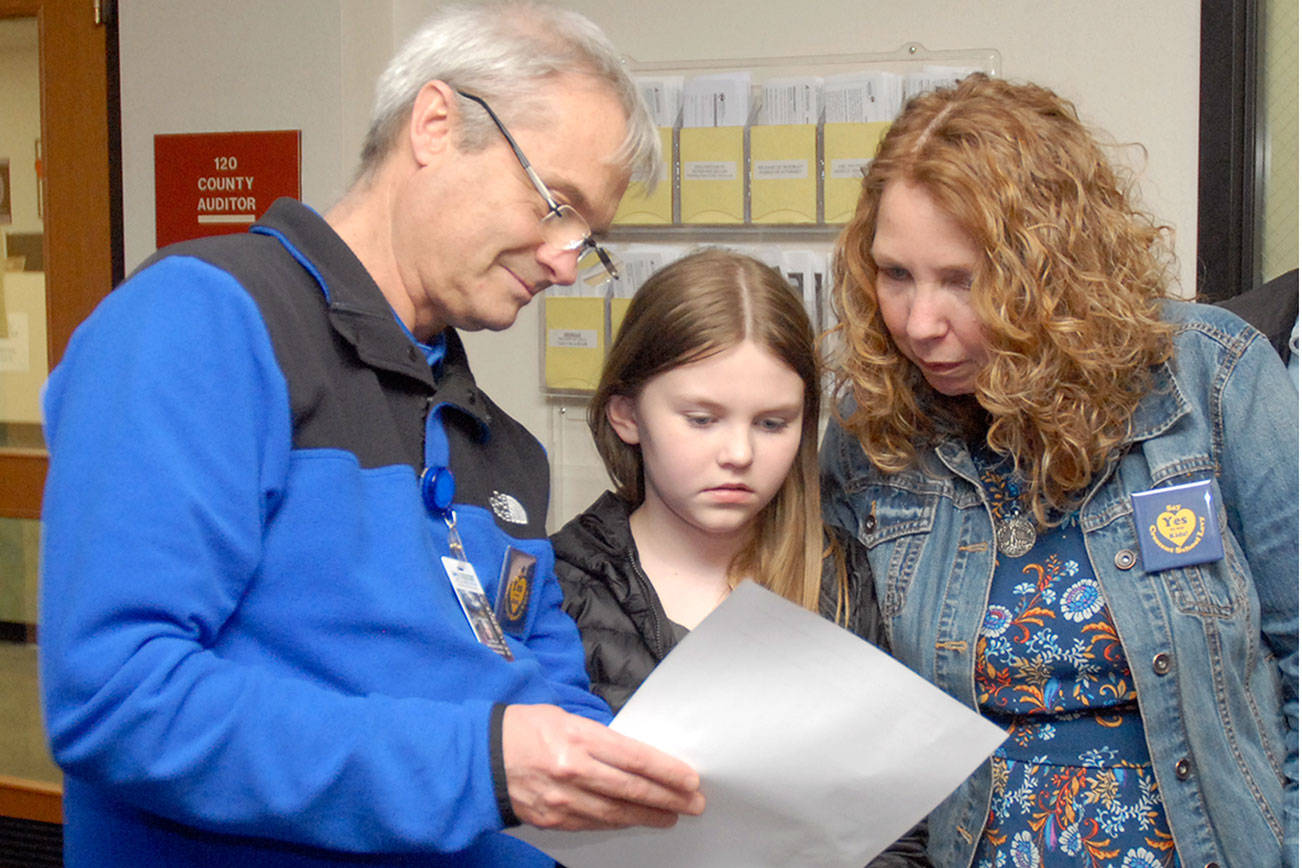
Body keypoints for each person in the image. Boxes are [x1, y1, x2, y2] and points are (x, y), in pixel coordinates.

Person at [38, 4, 704, 866]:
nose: (566, 262)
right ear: (436, 125)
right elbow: (118, 697)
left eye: (588, 237)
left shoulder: (501, 449)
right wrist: (480, 765)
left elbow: (548, 707)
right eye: (556, 206)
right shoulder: (204, 321)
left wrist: (651, 783)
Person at [820, 74, 1297, 868]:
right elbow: (843, 710)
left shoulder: (1213, 382)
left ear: (1054, 270)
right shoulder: (870, 433)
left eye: (962, 281)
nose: (918, 323)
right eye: (895, 274)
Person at [552, 248, 929, 866]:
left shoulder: (838, 577)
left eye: (773, 424)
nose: (738, 453)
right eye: (701, 419)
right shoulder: (558, 587)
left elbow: (895, 831)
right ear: (627, 414)